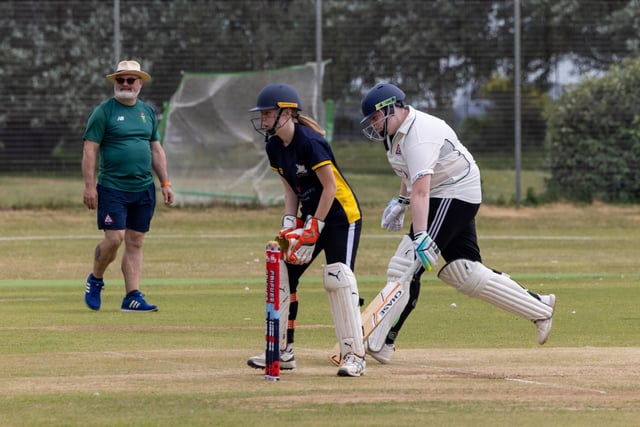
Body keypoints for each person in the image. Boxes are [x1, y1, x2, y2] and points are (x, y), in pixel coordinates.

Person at [359, 83, 556, 364]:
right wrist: (400, 202)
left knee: (407, 262)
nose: (374, 125)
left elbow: (422, 190)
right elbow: (409, 173)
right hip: (445, 191)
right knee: (463, 271)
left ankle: (381, 342)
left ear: (392, 108)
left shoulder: (420, 134)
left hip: (455, 191)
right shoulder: (394, 135)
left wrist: (422, 235)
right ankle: (539, 306)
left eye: (376, 117)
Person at [246, 83, 366, 377]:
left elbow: (330, 187)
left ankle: (354, 356)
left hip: (340, 215)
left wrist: (315, 226)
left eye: (268, 113)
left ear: (286, 113)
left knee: (338, 278)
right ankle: (282, 351)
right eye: (262, 114)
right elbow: (291, 187)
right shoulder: (273, 145)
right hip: (312, 214)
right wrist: (290, 222)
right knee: (283, 271)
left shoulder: (310, 142)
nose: (264, 120)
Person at [82, 60, 174, 312]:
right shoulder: (104, 111)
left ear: (139, 84)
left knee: (135, 241)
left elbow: (156, 148)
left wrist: (165, 183)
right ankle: (96, 279)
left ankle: (132, 297)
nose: (125, 84)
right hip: (113, 188)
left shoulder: (146, 113)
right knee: (114, 239)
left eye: (130, 80)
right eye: (120, 80)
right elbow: (90, 149)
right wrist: (90, 186)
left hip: (144, 188)